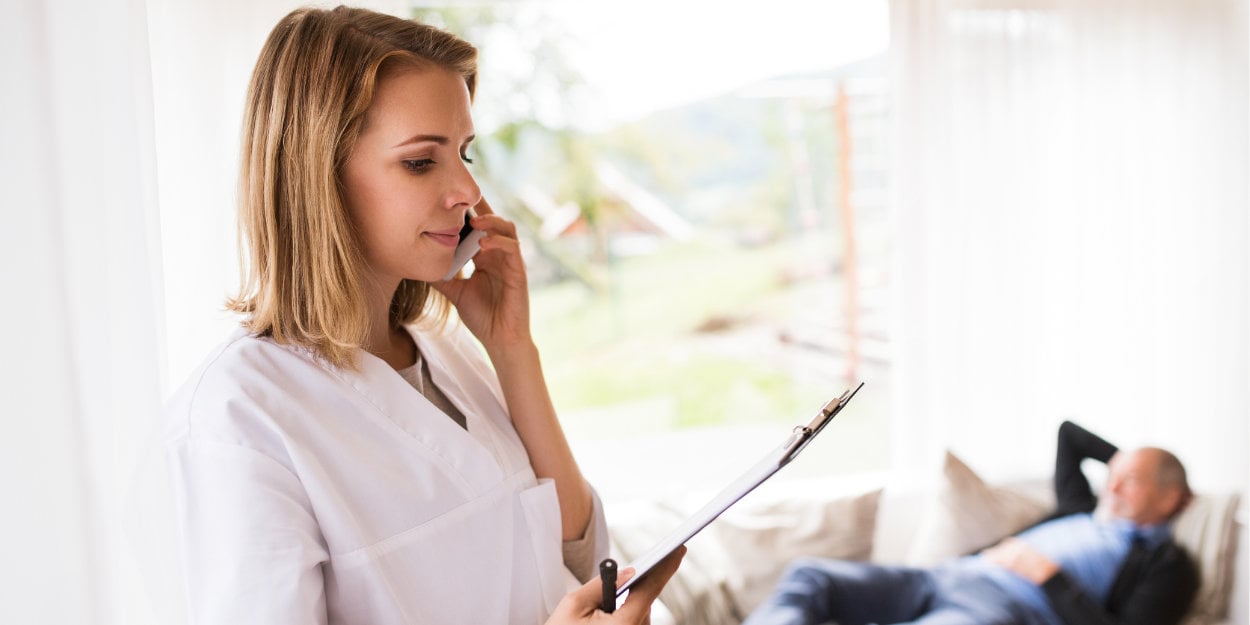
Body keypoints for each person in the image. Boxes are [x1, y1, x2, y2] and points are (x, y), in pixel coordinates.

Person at [128, 6, 682, 624]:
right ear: (319, 176)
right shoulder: (237, 424)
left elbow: (580, 557)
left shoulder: (446, 350)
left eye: (464, 155)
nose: (467, 193)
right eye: (421, 161)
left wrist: (513, 350)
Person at [741, 421, 1200, 625]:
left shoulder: (1167, 563)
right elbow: (1069, 433)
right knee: (810, 575)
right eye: (1112, 476)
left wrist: (1049, 576)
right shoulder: (1081, 507)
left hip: (1004, 606)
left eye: (1132, 482)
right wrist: (1128, 465)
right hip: (947, 575)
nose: (1114, 488)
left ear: (1170, 496)